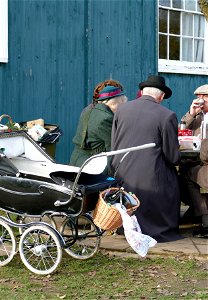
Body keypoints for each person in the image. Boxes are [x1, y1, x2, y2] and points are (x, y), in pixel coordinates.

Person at [110, 75, 183, 243]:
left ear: (142, 92)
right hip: (151, 177)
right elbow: (172, 157)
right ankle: (159, 227)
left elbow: (114, 144)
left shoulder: (121, 110)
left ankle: (126, 226)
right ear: (162, 96)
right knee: (173, 179)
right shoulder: (167, 115)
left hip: (123, 175)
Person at [69, 81, 127, 169]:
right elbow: (113, 149)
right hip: (90, 165)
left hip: (78, 160)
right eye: (122, 103)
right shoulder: (106, 118)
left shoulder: (88, 110)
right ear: (115, 104)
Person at [180, 84, 208, 238]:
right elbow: (181, 129)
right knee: (182, 173)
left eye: (204, 97)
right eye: (198, 96)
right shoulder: (197, 115)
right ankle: (196, 210)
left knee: (190, 176)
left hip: (205, 161)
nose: (200, 100)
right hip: (197, 160)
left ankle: (204, 219)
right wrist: (191, 113)